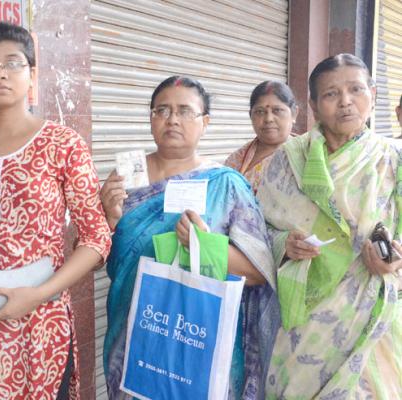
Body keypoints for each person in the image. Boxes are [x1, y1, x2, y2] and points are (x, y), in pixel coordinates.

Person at [0, 22, 111, 399]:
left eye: (12, 63)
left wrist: (40, 293)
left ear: (32, 74)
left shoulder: (63, 144)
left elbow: (96, 238)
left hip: (43, 322)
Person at [101, 76, 278, 399]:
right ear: (151, 118)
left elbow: (258, 272)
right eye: (162, 110)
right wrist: (110, 219)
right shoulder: (126, 180)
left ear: (204, 122)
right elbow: (109, 263)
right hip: (135, 336)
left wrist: (204, 244)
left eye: (184, 111)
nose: (172, 119)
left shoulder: (225, 185)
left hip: (198, 341)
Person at [258, 53, 402, 398]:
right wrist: (283, 244)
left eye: (356, 90)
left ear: (373, 95)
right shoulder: (288, 159)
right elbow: (258, 228)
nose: (346, 102)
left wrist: (395, 259)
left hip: (374, 311)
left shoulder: (393, 158)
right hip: (304, 320)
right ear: (313, 105)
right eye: (331, 94)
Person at [225, 80, 298, 191]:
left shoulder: (307, 155)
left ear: (294, 114)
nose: (268, 119)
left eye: (277, 110)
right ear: (251, 116)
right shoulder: (237, 160)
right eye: (260, 112)